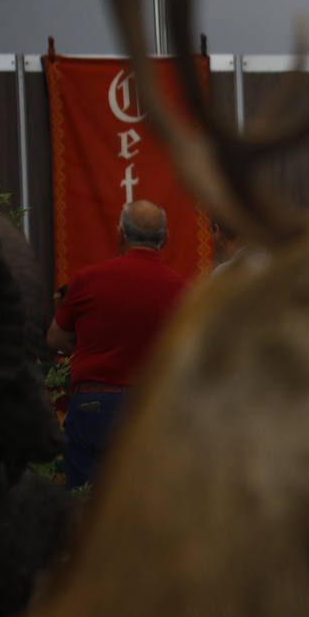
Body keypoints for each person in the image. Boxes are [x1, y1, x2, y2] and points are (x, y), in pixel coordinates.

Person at [47, 200, 186, 490]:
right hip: (153, 409)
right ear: (166, 238)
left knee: (86, 509)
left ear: (120, 234)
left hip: (95, 406)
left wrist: (90, 347)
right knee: (147, 504)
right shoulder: (182, 290)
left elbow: (55, 338)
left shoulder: (87, 279)